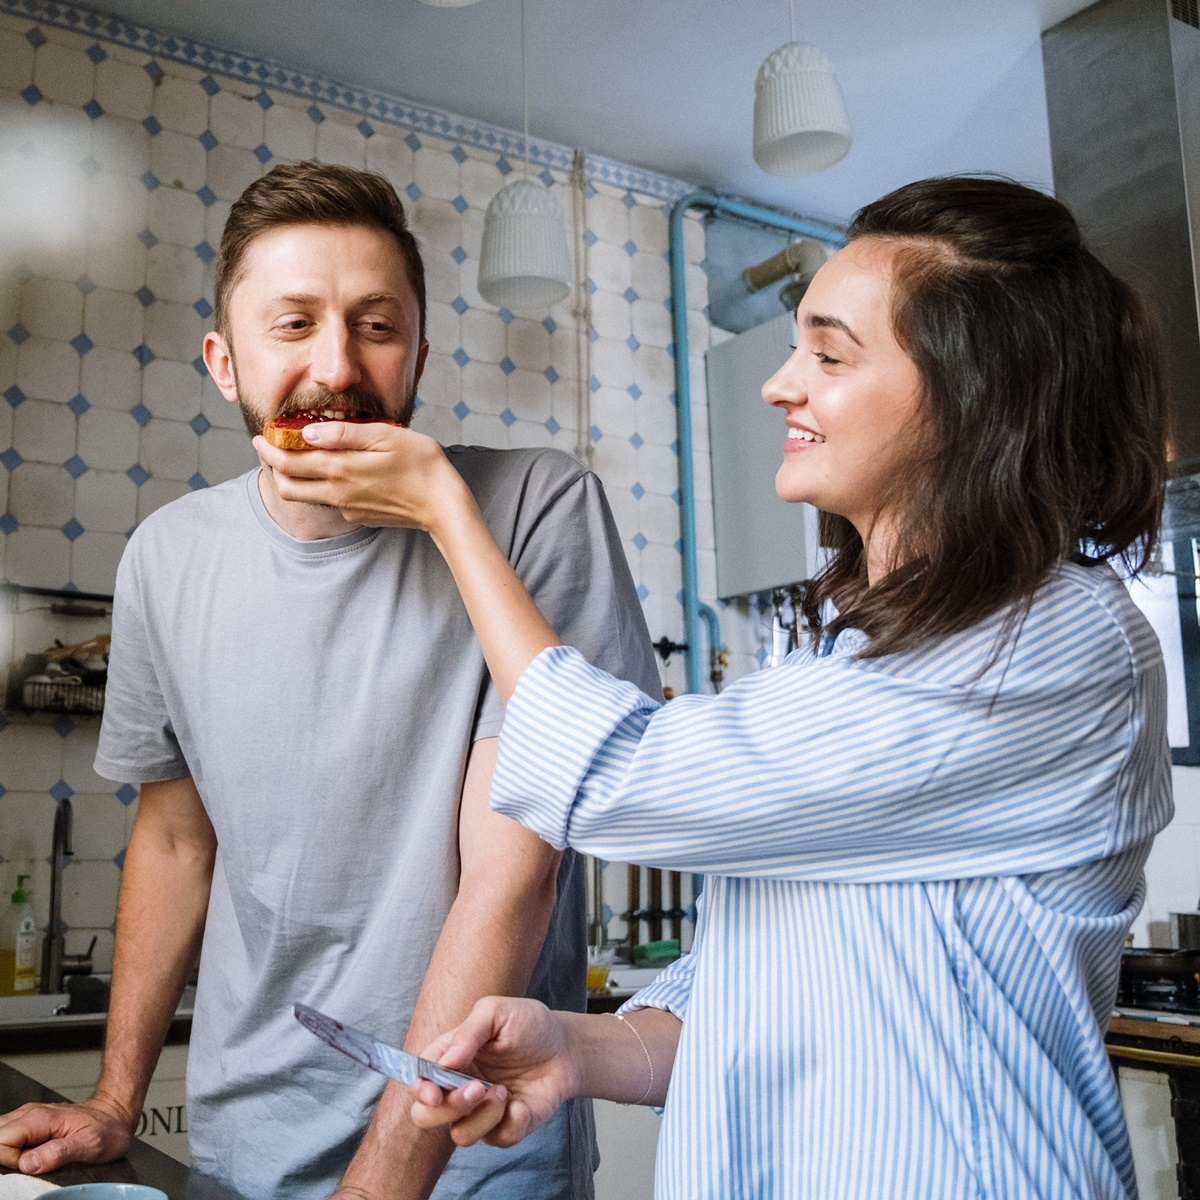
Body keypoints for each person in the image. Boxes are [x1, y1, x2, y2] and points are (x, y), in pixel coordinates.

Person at [255, 176, 1174, 1200]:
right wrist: (570, 1047)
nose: (782, 383)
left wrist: (449, 514)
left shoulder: (1054, 644)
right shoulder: (841, 654)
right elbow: (747, 995)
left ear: (976, 398)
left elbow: (618, 780)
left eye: (828, 354)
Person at [0, 162, 660, 1200]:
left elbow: (514, 871)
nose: (336, 366)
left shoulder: (536, 509)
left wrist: (387, 1179)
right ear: (224, 362)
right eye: (293, 325)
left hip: (475, 1154)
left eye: (376, 327)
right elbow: (175, 840)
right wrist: (114, 1101)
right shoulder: (165, 558)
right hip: (241, 1141)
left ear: (419, 359)